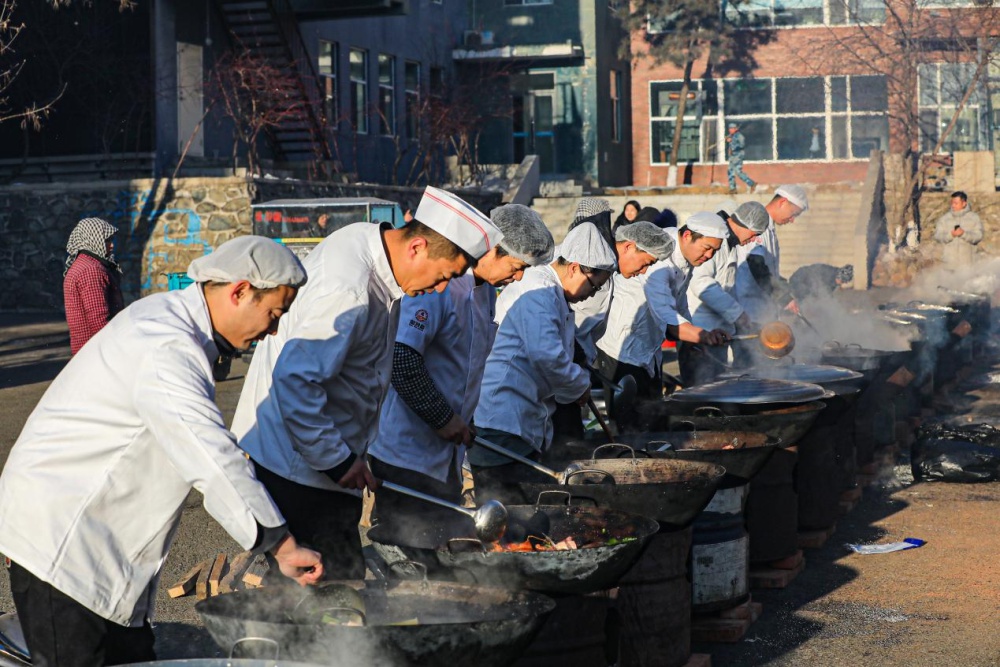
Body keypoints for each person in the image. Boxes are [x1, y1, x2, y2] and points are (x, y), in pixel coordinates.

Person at [0, 237, 324, 666]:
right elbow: (206, 449)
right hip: (64, 542)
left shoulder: (171, 324)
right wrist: (280, 545)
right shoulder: (166, 342)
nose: (273, 330)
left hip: (98, 542)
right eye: (274, 313)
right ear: (240, 291)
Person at [231, 186, 502, 581]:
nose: (442, 289)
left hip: (326, 461)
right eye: (444, 276)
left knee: (334, 587)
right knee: (326, 591)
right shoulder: (349, 287)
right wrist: (338, 459)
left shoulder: (371, 247)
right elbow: (296, 382)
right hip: (297, 467)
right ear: (417, 248)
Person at [367, 204, 554, 522]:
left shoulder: (485, 293)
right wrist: (443, 418)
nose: (518, 276)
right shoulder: (438, 286)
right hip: (406, 450)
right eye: (517, 265)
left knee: (445, 540)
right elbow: (402, 358)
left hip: (446, 452)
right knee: (405, 540)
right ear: (492, 250)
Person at [469, 222, 617, 502]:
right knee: (508, 509)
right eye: (594, 286)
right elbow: (547, 356)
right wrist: (580, 385)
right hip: (503, 417)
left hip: (523, 414)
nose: (592, 295)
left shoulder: (554, 295)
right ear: (574, 268)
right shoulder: (540, 291)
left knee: (526, 507)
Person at [597, 214, 731, 415]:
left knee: (653, 415)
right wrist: (702, 335)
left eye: (715, 250)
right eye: (707, 248)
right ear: (687, 235)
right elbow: (665, 315)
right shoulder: (660, 256)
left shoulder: (686, 259)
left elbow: (680, 303)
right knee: (629, 421)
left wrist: (693, 339)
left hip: (649, 349)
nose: (710, 255)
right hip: (622, 348)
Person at [683, 201, 771, 384]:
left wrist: (740, 321)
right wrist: (737, 314)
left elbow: (727, 288)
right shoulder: (714, 240)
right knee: (702, 395)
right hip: (699, 334)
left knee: (717, 390)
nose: (754, 239)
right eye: (755, 234)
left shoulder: (730, 245)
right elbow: (701, 282)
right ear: (745, 224)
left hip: (717, 335)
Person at [735, 184, 809, 323]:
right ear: (782, 202)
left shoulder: (769, 229)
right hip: (750, 309)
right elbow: (756, 265)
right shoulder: (758, 225)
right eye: (794, 214)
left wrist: (783, 286)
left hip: (763, 308)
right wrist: (782, 297)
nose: (792, 220)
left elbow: (768, 269)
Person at [63, 217, 125, 355]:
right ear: (92, 240)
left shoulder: (85, 264)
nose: (112, 245)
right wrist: (115, 350)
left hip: (88, 351)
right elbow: (99, 320)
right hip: (94, 352)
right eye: (107, 240)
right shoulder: (91, 270)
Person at [934, 191, 984, 266]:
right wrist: (950, 235)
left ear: (964, 203)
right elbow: (937, 236)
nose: (953, 205)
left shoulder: (974, 218)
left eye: (956, 203)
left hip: (969, 264)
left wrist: (964, 234)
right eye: (952, 203)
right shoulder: (944, 219)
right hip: (949, 264)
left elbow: (978, 236)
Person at [789, 263, 853, 303]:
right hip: (799, 279)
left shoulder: (834, 280)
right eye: (842, 281)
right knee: (806, 302)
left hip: (807, 284)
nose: (841, 283)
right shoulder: (828, 274)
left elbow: (827, 295)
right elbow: (816, 289)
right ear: (839, 275)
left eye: (844, 282)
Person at [726, 121, 756, 194]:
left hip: (738, 156)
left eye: (732, 128)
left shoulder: (739, 136)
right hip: (732, 156)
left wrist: (731, 141)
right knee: (734, 171)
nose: (730, 130)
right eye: (729, 128)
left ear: (735, 129)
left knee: (734, 171)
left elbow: (741, 145)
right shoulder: (732, 136)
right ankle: (733, 188)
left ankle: (750, 184)